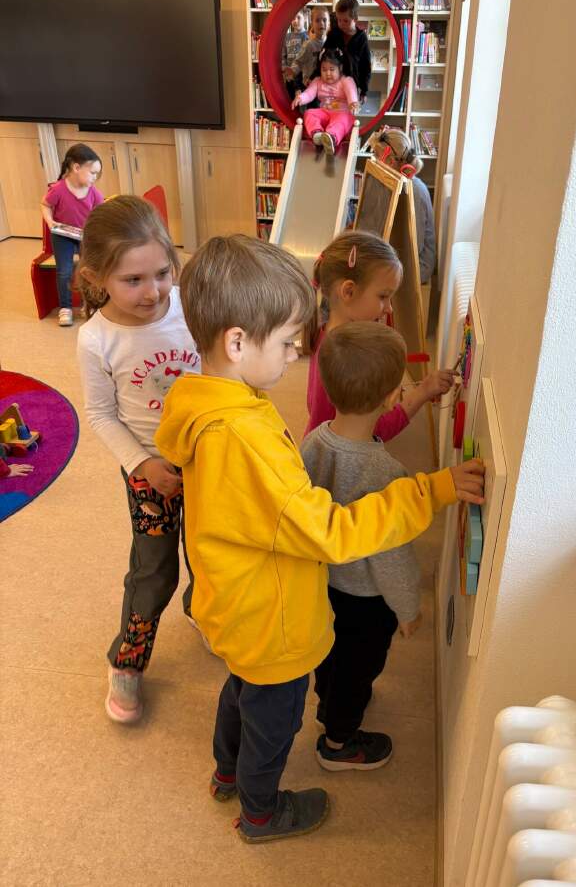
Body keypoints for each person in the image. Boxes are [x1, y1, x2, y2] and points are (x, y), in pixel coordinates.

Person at [154, 234, 485, 843]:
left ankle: (226, 771)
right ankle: (260, 812)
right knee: (274, 720)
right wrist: (431, 490)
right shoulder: (244, 439)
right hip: (269, 619)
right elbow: (331, 532)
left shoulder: (213, 405)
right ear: (236, 343)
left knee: (240, 691)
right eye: (286, 343)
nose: (294, 357)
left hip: (236, 605)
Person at [76, 195, 200, 725]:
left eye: (162, 273)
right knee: (154, 572)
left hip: (208, 462)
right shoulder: (95, 339)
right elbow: (100, 415)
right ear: (96, 277)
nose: (153, 291)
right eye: (133, 280)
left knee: (211, 554)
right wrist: (142, 465)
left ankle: (203, 611)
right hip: (148, 474)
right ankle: (126, 663)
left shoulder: (191, 307)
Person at [302, 321, 427, 770]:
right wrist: (408, 608)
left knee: (330, 658)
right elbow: (392, 556)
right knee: (359, 669)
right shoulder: (387, 473)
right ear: (392, 397)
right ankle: (339, 744)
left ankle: (328, 703)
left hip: (320, 583)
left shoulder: (313, 441)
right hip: (366, 599)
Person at [305, 231, 452, 439]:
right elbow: (375, 431)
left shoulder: (327, 336)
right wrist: (423, 391)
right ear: (348, 292)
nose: (389, 308)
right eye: (383, 296)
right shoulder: (346, 358)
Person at [40, 143, 104, 327]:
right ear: (76, 167)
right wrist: (50, 222)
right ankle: (65, 308)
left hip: (85, 237)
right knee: (64, 271)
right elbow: (45, 204)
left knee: (88, 270)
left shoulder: (93, 192)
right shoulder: (58, 189)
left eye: (97, 174)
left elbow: (101, 214)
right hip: (62, 236)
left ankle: (88, 304)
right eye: (92, 173)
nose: (95, 177)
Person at [368, 127, 437, 284]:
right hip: (395, 254)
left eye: (376, 155)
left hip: (416, 266)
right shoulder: (390, 182)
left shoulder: (414, 190)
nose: (373, 160)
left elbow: (413, 248)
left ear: (390, 161)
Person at [291, 48, 358, 155]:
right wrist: (300, 98)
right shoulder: (318, 81)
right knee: (309, 113)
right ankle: (317, 134)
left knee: (343, 119)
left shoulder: (346, 80)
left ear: (340, 68)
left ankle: (331, 138)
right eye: (324, 70)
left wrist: (353, 103)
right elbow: (309, 93)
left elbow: (351, 94)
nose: (328, 73)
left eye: (332, 69)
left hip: (342, 113)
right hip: (325, 113)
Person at [325, 0, 371, 103]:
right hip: (333, 83)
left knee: (351, 108)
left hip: (354, 84)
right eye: (339, 20)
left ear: (355, 19)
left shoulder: (361, 38)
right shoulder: (333, 34)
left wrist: (364, 91)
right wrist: (315, 76)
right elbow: (323, 56)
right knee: (333, 109)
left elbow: (365, 66)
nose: (341, 24)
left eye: (346, 21)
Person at [285, 5, 330, 97]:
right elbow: (298, 62)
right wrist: (292, 71)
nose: (321, 23)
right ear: (312, 24)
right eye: (317, 20)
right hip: (309, 85)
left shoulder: (330, 44)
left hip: (325, 86)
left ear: (329, 23)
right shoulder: (308, 45)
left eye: (324, 20)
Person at [281, 8, 308, 101]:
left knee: (301, 100)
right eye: (293, 18)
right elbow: (283, 55)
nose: (295, 21)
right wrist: (284, 69)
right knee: (290, 99)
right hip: (289, 76)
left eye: (298, 17)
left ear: (305, 18)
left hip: (301, 77)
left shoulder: (307, 36)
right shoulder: (287, 37)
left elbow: (306, 57)